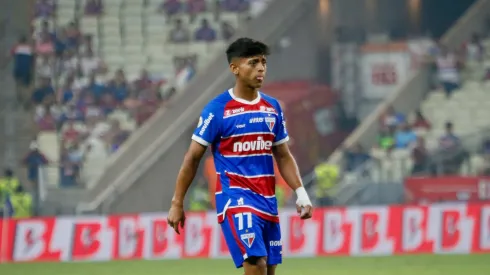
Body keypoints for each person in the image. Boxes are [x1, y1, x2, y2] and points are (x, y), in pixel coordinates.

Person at [167, 38, 313, 275]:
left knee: (269, 269)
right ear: (234, 68)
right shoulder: (218, 109)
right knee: (256, 262)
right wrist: (177, 203)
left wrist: (301, 193)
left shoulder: (273, 107)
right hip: (235, 198)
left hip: (267, 199)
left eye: (263, 62)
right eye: (253, 62)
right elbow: (192, 158)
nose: (261, 68)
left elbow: (283, 155)